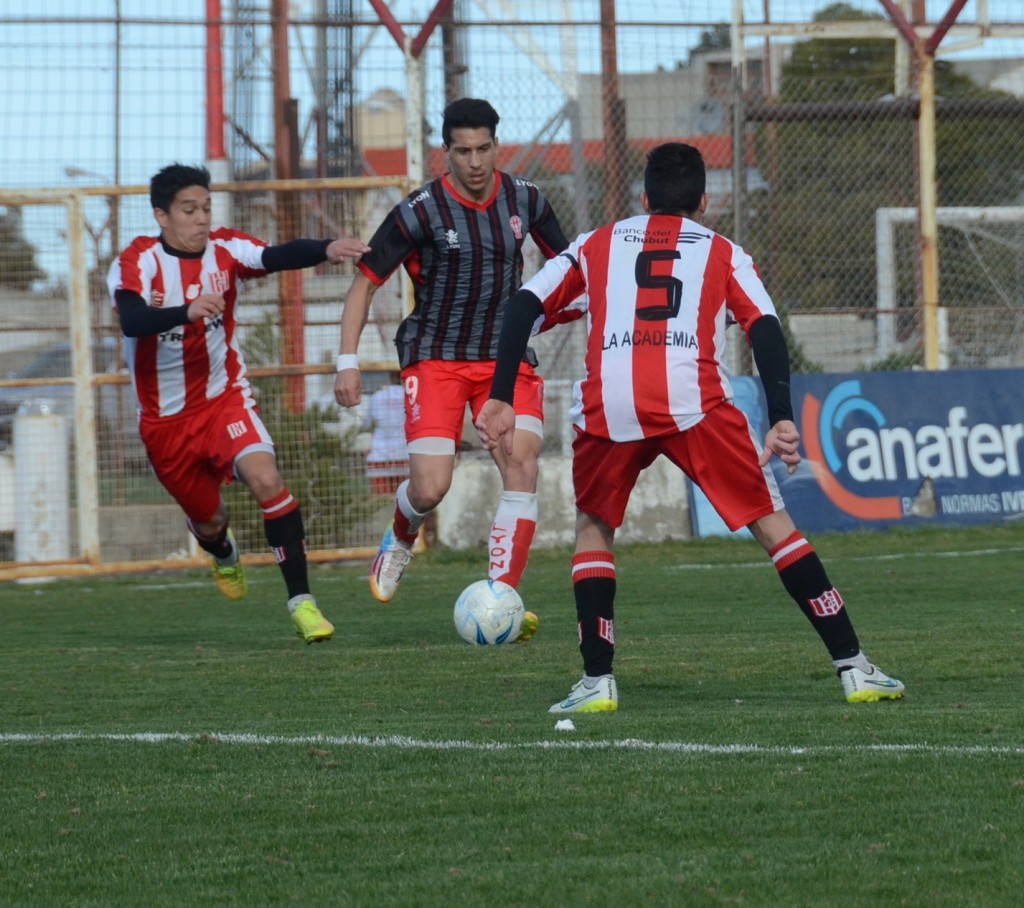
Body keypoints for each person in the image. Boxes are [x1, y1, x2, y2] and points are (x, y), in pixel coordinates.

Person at [475, 142, 905, 711]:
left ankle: (597, 682)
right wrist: (779, 418)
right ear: (704, 200)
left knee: (594, 530)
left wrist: (501, 395)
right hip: (694, 402)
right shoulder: (725, 252)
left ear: (644, 197)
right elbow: (766, 328)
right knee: (775, 528)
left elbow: (522, 306)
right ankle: (854, 668)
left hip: (613, 406)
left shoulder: (596, 243)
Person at [334, 97, 573, 642]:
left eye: (483, 148)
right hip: (435, 355)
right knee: (430, 488)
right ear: (446, 152)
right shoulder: (417, 211)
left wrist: (563, 310)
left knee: (521, 462)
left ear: (497, 145)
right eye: (462, 151)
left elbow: (568, 266)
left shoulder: (526, 199)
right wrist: (347, 361)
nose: (474, 161)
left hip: (502, 359)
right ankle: (399, 537)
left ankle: (501, 597)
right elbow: (364, 283)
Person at [108, 162, 370, 643]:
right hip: (165, 424)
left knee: (266, 478)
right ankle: (223, 553)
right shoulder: (138, 261)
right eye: (189, 210)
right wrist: (185, 311)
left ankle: (303, 604)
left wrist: (326, 249)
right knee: (210, 520)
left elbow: (275, 255)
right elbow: (132, 319)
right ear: (162, 216)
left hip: (223, 399)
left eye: (206, 208)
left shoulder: (225, 250)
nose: (202, 219)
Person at [365, 373, 409, 497]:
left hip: (380, 453)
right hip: (404, 452)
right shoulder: (408, 395)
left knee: (380, 499)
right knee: (406, 498)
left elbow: (367, 423)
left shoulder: (377, 396)